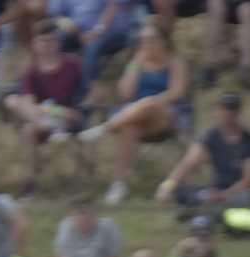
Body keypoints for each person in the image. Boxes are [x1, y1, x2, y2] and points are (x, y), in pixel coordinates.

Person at [76, 22, 181, 205]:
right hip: (136, 117)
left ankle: (105, 128)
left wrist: (152, 103)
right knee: (129, 128)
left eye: (151, 39)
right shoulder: (137, 62)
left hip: (166, 116)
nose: (147, 44)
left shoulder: (175, 62)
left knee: (147, 103)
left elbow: (176, 92)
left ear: (163, 41)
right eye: (143, 40)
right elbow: (125, 93)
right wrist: (135, 64)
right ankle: (118, 186)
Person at [6, 26, 86, 192]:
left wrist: (57, 111)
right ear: (35, 44)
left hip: (69, 117)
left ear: (58, 43)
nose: (47, 45)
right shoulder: (31, 72)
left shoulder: (73, 64)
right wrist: (45, 113)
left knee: (16, 103)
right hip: (44, 120)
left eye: (51, 40)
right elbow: (29, 103)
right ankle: (30, 183)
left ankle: (49, 124)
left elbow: (91, 93)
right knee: (21, 114)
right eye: (42, 41)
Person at [156, 86, 250, 207]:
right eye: (225, 108)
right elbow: (188, 164)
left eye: (232, 109)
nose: (228, 113)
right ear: (218, 110)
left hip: (239, 192)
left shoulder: (249, 139)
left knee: (244, 198)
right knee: (183, 191)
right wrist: (168, 185)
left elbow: (248, 180)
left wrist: (224, 195)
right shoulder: (211, 136)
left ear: (238, 112)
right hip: (216, 189)